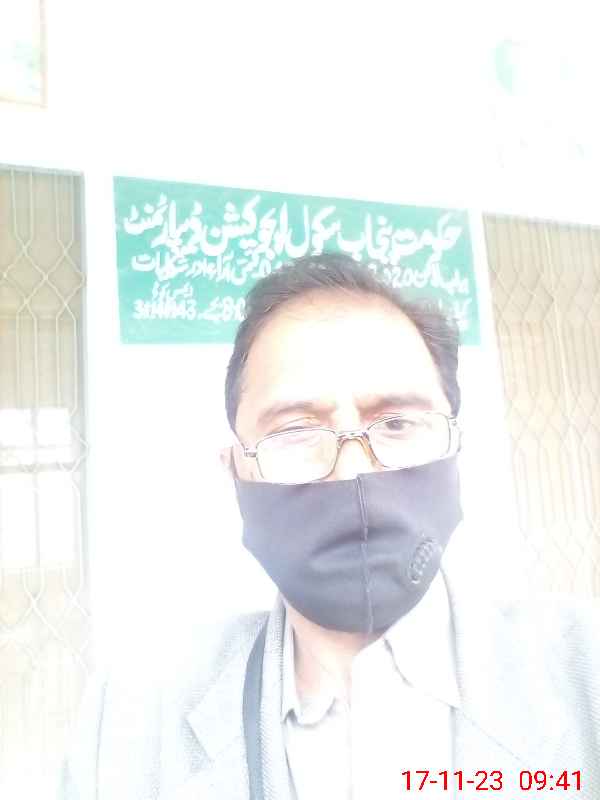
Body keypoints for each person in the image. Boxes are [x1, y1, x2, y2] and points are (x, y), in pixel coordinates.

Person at [59, 253, 600, 800]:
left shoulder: (588, 674)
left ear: (456, 446)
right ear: (236, 472)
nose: (353, 471)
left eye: (396, 423)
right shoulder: (130, 720)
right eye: (294, 431)